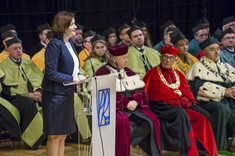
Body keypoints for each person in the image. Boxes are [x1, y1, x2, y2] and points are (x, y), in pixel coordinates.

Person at [143, 46, 217, 156]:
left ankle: (199, 148)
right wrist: (175, 100)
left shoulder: (178, 74)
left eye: (171, 58)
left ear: (174, 60)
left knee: (204, 115)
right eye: (165, 57)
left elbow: (186, 91)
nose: (168, 60)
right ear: (160, 57)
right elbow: (149, 96)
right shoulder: (152, 74)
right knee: (181, 114)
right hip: (161, 107)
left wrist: (187, 101)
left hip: (179, 105)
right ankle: (184, 151)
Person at [96, 44, 161, 156]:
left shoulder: (128, 71)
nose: (127, 60)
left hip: (133, 106)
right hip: (115, 109)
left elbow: (140, 90)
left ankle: (124, 143)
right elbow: (106, 95)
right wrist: (126, 103)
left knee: (152, 121)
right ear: (113, 59)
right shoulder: (102, 72)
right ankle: (120, 146)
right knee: (122, 125)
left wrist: (135, 101)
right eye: (123, 58)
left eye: (127, 57)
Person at [41, 11, 86, 156]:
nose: (75, 27)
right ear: (63, 26)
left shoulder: (69, 42)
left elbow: (71, 67)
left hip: (67, 94)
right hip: (54, 96)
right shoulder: (54, 45)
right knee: (54, 135)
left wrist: (77, 75)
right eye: (72, 24)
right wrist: (72, 79)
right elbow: (50, 72)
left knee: (63, 135)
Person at [186, 37, 235, 152]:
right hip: (206, 101)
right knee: (222, 109)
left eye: (218, 49)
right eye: (212, 50)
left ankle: (230, 144)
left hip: (228, 100)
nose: (217, 52)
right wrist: (223, 92)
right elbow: (200, 88)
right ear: (205, 52)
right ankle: (217, 149)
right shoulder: (198, 66)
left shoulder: (225, 66)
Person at [0, 37, 45, 149]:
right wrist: (28, 95)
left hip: (33, 94)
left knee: (49, 100)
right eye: (15, 48)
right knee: (28, 103)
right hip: (13, 98)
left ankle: (49, 135)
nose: (19, 50)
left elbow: (38, 80)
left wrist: (38, 92)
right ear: (8, 50)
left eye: (20, 48)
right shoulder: (3, 66)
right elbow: (5, 90)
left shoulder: (28, 63)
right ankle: (33, 141)